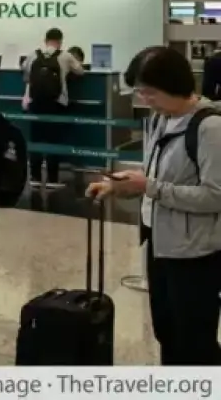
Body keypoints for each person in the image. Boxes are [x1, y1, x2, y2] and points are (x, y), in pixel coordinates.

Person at [87, 46, 221, 366]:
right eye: (140, 92)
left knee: (194, 341)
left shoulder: (210, 127)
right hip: (159, 245)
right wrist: (118, 186)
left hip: (194, 254)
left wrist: (150, 187)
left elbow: (215, 196)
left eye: (150, 92)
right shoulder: (161, 119)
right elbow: (153, 176)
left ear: (174, 85)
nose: (144, 99)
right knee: (166, 332)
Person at [23, 27, 84, 184]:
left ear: (45, 40)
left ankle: (35, 177)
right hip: (56, 104)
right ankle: (52, 179)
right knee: (53, 141)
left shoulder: (33, 54)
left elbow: (24, 71)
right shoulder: (65, 56)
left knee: (36, 140)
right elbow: (80, 71)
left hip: (35, 104)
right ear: (60, 41)